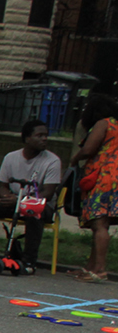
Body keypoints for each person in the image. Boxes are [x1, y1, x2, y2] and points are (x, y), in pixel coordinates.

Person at [0, 119, 62, 270]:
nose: (44, 139)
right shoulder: (10, 157)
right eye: (39, 135)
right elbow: (3, 186)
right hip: (14, 203)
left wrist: (21, 202)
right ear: (27, 138)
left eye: (46, 135)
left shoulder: (53, 161)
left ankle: (28, 262)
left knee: (34, 212)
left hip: (40, 205)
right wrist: (7, 198)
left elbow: (48, 194)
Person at [72, 93, 118, 282]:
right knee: (100, 225)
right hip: (114, 179)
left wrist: (75, 158)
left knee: (99, 224)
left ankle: (99, 270)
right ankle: (91, 267)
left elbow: (89, 149)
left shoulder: (104, 123)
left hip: (104, 179)